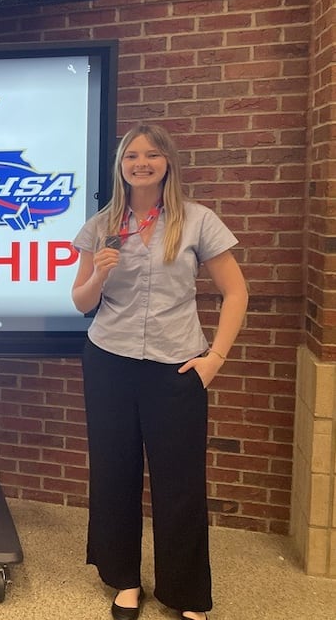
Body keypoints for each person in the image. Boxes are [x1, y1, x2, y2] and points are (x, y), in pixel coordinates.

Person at [70, 126, 248, 620]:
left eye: (151, 154)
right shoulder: (102, 225)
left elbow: (236, 292)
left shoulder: (197, 221)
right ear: (120, 165)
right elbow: (80, 301)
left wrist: (215, 359)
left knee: (180, 483)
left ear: (167, 162)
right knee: (114, 473)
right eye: (132, 155)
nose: (141, 163)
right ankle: (124, 580)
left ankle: (186, 594)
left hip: (176, 366)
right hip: (110, 361)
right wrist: (100, 273)